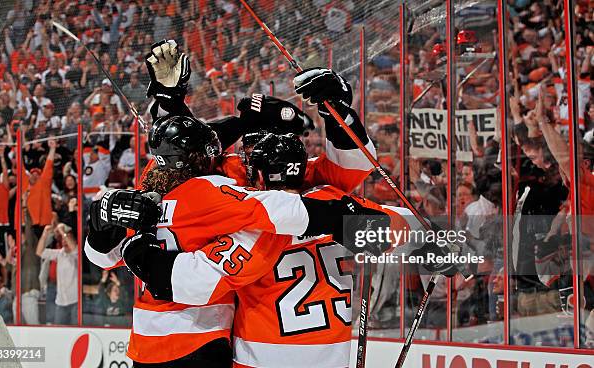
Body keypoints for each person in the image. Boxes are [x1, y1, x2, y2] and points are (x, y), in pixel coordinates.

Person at [85, 40, 382, 367]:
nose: (248, 150)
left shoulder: (175, 186)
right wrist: (346, 218)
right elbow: (348, 173)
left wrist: (338, 112)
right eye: (250, 141)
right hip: (220, 339)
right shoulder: (229, 183)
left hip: (169, 340)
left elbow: (104, 254)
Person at [121, 133, 458, 368]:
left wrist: (139, 250)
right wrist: (435, 242)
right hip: (333, 354)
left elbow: (195, 278)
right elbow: (397, 224)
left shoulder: (254, 225)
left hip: (263, 356)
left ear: (261, 174)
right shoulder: (333, 202)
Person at [36, 222, 77, 325]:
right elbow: (40, 252)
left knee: (75, 332)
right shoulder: (59, 253)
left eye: (67, 238)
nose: (65, 241)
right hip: (61, 301)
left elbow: (73, 247)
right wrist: (45, 234)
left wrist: (62, 232)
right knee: (59, 332)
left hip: (75, 301)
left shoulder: (76, 254)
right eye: (63, 239)